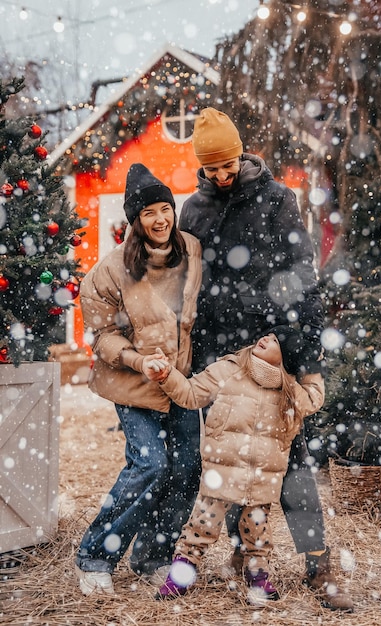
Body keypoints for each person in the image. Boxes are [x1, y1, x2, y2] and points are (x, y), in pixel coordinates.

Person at [177, 107, 353, 611]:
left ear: (240, 154)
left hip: (271, 350)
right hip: (221, 355)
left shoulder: (277, 201)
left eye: (227, 164)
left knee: (288, 459)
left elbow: (301, 275)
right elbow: (193, 284)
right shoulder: (194, 211)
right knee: (232, 459)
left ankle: (318, 563)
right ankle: (243, 557)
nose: (221, 175)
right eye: (211, 168)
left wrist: (298, 350)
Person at [74, 163, 202, 596]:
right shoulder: (110, 271)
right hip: (134, 383)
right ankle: (95, 555)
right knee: (151, 464)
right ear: (135, 220)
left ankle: (153, 555)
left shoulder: (195, 254)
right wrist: (135, 359)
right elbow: (102, 335)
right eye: (148, 212)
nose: (160, 219)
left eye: (165, 208)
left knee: (186, 469)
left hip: (181, 384)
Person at [142, 328, 325, 604]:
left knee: (258, 532)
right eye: (267, 335)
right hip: (222, 472)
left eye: (275, 341)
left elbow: (314, 397)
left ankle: (257, 575)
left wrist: (312, 365)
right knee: (200, 527)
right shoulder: (231, 368)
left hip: (262, 478)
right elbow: (191, 393)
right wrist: (168, 376)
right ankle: (181, 574)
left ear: (285, 358)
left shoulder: (290, 392)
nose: (265, 338)